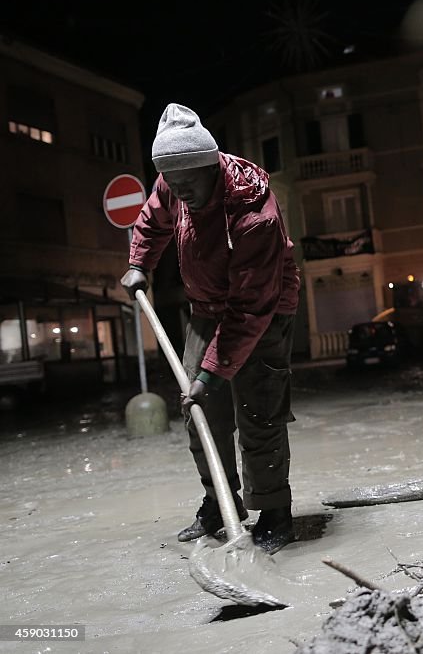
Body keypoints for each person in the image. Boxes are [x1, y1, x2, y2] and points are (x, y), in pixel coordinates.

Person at [121, 103, 301, 554]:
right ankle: (220, 504)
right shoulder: (176, 182)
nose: (180, 194)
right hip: (205, 308)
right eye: (172, 184)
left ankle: (275, 512)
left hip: (262, 312)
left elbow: (249, 308)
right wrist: (140, 263)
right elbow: (152, 219)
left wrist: (210, 373)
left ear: (211, 167)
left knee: (258, 412)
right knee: (199, 410)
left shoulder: (252, 211)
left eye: (188, 184)